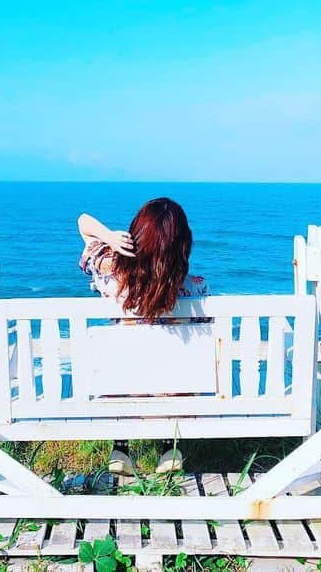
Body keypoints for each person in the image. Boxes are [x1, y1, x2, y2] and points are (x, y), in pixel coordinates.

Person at [77, 197, 209, 475]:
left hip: (122, 391)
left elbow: (83, 222)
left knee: (124, 366)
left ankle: (120, 449)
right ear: (183, 244)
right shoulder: (196, 288)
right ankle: (170, 449)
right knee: (175, 366)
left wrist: (110, 238)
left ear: (135, 237)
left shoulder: (110, 275)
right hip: (174, 396)